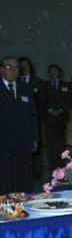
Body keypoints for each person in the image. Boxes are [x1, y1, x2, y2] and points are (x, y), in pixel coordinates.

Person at [1, 56, 38, 193]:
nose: (13, 70)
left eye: (16, 67)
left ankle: (22, 207)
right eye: (8, 67)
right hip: (3, 143)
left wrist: (34, 137)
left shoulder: (26, 88)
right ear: (2, 70)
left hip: (23, 142)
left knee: (23, 178)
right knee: (3, 178)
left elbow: (33, 115)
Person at [39, 64, 71, 171]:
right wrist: (50, 110)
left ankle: (61, 164)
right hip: (49, 118)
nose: (53, 73)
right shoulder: (44, 85)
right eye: (51, 71)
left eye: (55, 71)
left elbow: (68, 100)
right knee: (50, 143)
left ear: (59, 72)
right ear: (48, 73)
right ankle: (52, 164)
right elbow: (41, 100)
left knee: (61, 143)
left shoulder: (66, 85)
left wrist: (61, 110)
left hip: (62, 117)